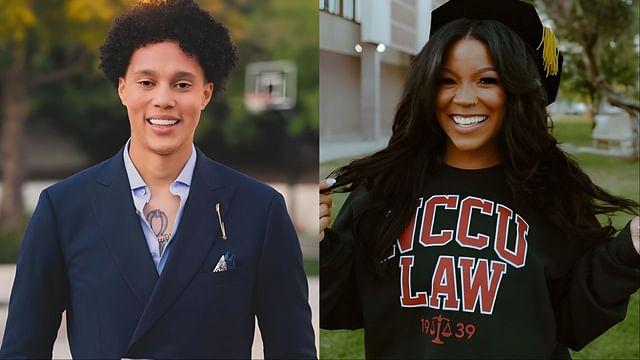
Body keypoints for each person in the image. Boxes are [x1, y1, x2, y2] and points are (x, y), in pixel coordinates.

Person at [319, 0, 640, 358]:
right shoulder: (385, 189)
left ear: (517, 89)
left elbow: (569, 319)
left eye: (487, 80)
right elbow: (338, 305)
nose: (465, 98)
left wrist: (630, 251)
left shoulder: (553, 190)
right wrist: (310, 242)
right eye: (446, 81)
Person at [0, 0, 316, 358]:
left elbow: (294, 349)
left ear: (206, 94)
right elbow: (22, 350)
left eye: (182, 84)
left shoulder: (260, 209)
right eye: (147, 82)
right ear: (123, 89)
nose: (163, 99)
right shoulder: (63, 208)